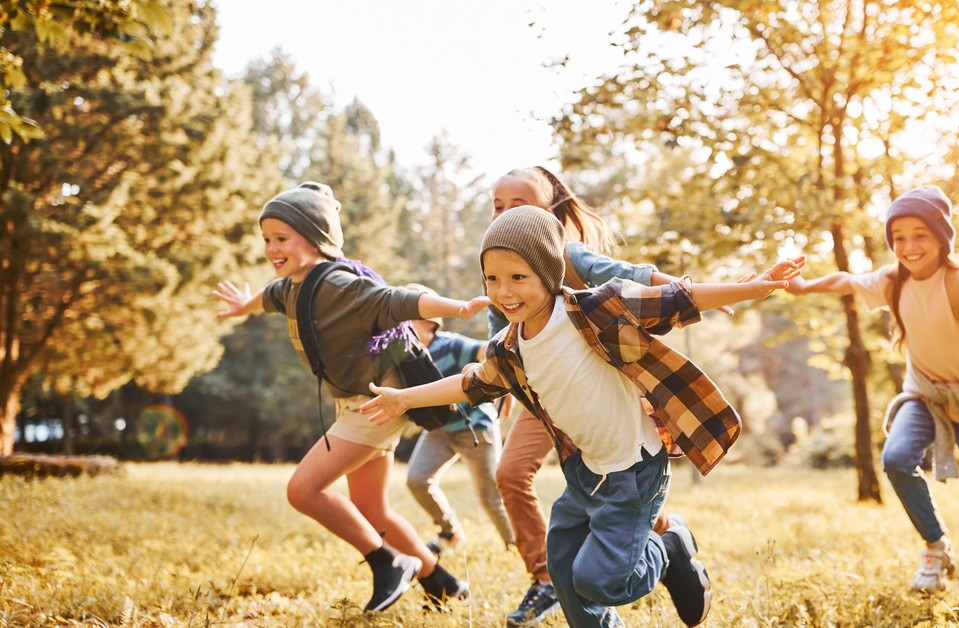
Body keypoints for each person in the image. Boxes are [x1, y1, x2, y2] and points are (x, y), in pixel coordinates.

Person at [361, 206, 806, 627]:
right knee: (565, 572)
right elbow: (470, 381)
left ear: (549, 273)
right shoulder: (509, 348)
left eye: (518, 277)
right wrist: (404, 399)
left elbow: (674, 299)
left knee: (601, 580)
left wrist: (753, 288)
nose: (504, 291)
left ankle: (669, 547)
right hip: (585, 473)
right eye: (492, 278)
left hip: (634, 470)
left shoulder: (594, 310)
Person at [212, 182, 489, 612]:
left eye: (282, 238)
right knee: (371, 508)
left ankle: (387, 563)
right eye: (266, 239)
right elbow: (265, 299)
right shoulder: (290, 287)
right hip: (357, 402)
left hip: (377, 402)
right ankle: (442, 583)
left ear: (317, 237)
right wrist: (241, 305)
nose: (271, 248)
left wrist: (457, 308)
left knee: (303, 491)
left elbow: (395, 300)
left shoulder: (339, 284)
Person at [785, 185, 959, 593]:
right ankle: (937, 548)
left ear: (941, 236)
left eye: (920, 234)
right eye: (898, 237)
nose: (908, 246)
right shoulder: (892, 282)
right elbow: (846, 280)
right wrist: (803, 286)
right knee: (897, 459)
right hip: (924, 394)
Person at [487, 166, 729, 626]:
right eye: (497, 206)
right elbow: (499, 337)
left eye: (519, 205)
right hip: (545, 396)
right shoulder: (501, 263)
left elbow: (629, 276)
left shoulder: (570, 255)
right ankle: (552, 579)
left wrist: (687, 290)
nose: (503, 214)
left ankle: (661, 545)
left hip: (598, 390)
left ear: (551, 211)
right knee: (515, 473)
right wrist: (498, 392)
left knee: (609, 479)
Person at [403, 283, 517, 555]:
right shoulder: (407, 355)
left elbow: (489, 352)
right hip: (439, 431)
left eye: (408, 318)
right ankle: (450, 532)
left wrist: (508, 384)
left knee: (491, 497)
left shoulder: (452, 345)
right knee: (417, 479)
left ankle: (516, 545)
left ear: (429, 322)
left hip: (475, 430)